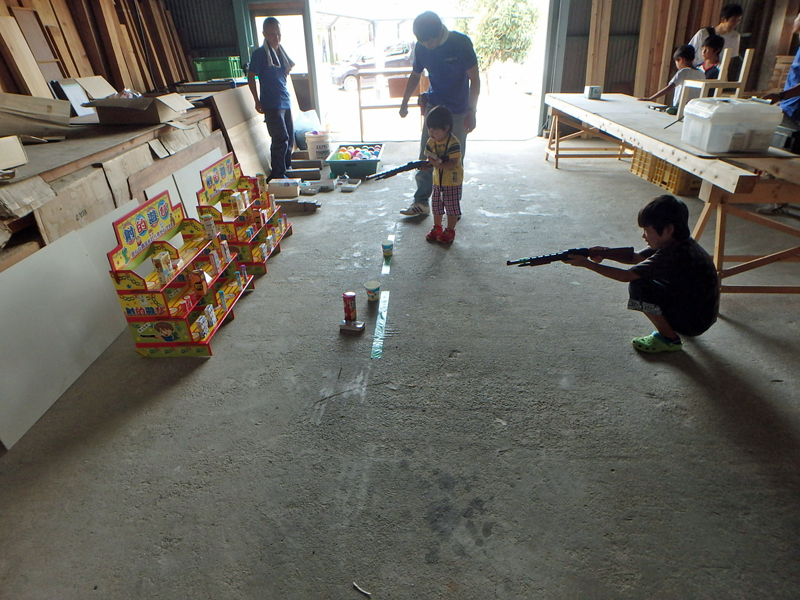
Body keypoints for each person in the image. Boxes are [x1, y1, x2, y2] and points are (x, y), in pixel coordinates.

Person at [565, 195, 720, 354]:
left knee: (639, 286)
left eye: (647, 230)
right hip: (700, 314)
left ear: (668, 229)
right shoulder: (679, 242)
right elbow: (636, 257)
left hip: (694, 324)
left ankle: (669, 339)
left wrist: (587, 264)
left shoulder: (673, 255)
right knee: (646, 280)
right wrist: (606, 253)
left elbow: (626, 276)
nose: (644, 235)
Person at [398, 11, 479, 217]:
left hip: (459, 110)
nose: (427, 45)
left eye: (430, 41)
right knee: (426, 156)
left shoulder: (460, 43)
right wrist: (404, 102)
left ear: (440, 32)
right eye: (423, 42)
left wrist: (472, 110)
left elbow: (475, 79)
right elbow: (415, 75)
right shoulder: (421, 47)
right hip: (434, 108)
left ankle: (452, 205)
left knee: (454, 158)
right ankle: (421, 202)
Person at [760, 11, 800, 214]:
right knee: (779, 152)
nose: (794, 21)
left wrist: (781, 95)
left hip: (796, 109)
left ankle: (779, 201)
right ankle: (777, 199)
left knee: (783, 155)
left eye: (797, 18)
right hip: (790, 105)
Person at [248, 17, 295, 181]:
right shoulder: (260, 54)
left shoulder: (281, 53)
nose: (276, 37)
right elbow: (251, 76)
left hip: (285, 100)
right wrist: (256, 100)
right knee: (280, 138)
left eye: (278, 33)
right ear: (264, 34)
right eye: (272, 34)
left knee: (290, 137)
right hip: (271, 103)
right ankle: (278, 174)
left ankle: (286, 168)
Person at [422, 106, 463, 244]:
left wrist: (438, 165)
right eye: (429, 128)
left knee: (451, 207)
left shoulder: (453, 143)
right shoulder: (430, 142)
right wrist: (427, 165)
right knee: (436, 206)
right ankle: (437, 227)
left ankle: (450, 230)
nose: (431, 132)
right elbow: (429, 158)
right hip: (437, 180)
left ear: (446, 128)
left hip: (451, 181)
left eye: (435, 129)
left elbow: (453, 162)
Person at [638, 45, 705, 109]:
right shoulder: (701, 73)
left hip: (679, 108)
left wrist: (651, 98)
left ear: (681, 59)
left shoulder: (683, 72)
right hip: (693, 108)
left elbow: (669, 88)